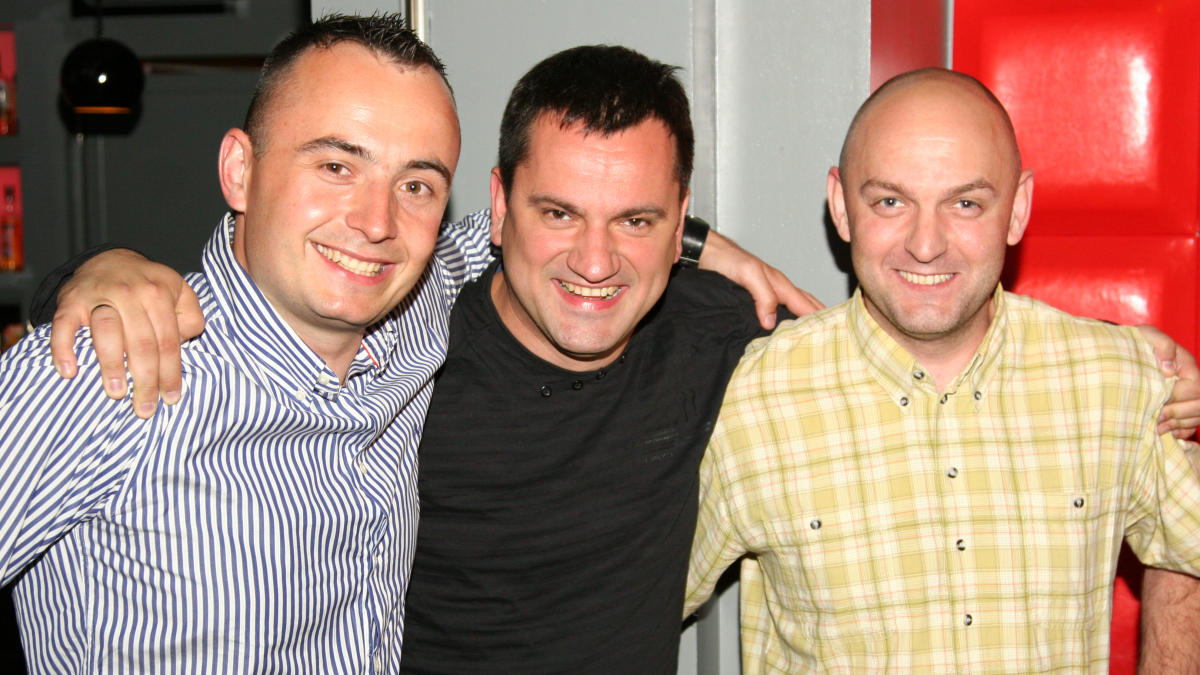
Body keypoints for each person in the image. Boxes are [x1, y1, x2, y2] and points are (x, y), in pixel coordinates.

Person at [36, 55, 1200, 674]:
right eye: (558, 214)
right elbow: (312, 279)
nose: (595, 262)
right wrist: (92, 271)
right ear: (497, 209)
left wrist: (1137, 366)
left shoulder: (736, 345)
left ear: (680, 222)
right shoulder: (405, 333)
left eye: (639, 222)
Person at [0, 15, 490, 671]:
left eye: (416, 186)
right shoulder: (102, 375)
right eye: (336, 165)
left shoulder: (416, 311)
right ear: (239, 171)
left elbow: (523, 233)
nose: (378, 223)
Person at [684, 68, 1200, 674]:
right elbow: (622, 598)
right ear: (841, 207)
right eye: (890, 202)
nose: (926, 244)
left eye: (965, 204)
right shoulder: (750, 398)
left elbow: (1188, 549)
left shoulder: (1117, 382)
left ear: (1017, 209)